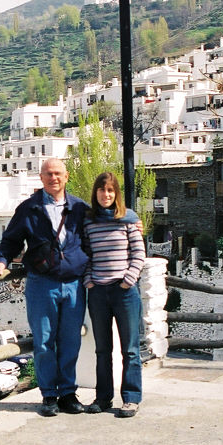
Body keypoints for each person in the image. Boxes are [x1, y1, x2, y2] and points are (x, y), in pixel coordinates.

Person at [0, 158, 90, 416]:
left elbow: (103, 228)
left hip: (73, 285)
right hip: (41, 284)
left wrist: (131, 223)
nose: (53, 178)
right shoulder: (29, 208)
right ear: (41, 177)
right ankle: (49, 396)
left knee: (70, 341)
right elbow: (10, 241)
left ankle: (68, 393)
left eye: (58, 173)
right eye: (48, 174)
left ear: (66, 176)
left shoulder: (80, 208)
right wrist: (1, 262)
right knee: (44, 341)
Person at [82, 172, 146, 418]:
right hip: (98, 292)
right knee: (102, 349)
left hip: (125, 292)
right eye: (101, 190)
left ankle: (130, 398)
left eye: (110, 191)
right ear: (95, 193)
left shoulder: (128, 219)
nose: (106, 195)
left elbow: (139, 253)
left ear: (116, 193)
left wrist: (128, 279)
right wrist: (89, 280)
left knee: (130, 349)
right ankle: (103, 398)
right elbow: (86, 254)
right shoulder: (89, 221)